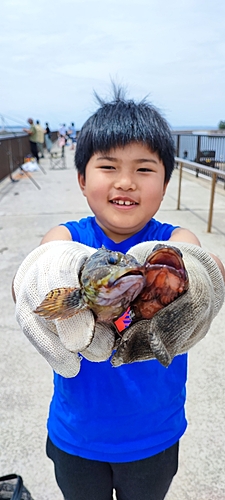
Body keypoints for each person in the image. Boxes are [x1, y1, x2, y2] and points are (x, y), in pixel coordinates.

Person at [13, 87, 225, 500]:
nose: (125, 182)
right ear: (82, 179)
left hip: (154, 437)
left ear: (166, 182)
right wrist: (45, 273)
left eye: (145, 169)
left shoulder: (170, 241)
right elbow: (36, 269)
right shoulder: (69, 237)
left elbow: (205, 262)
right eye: (108, 166)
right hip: (76, 437)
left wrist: (197, 277)